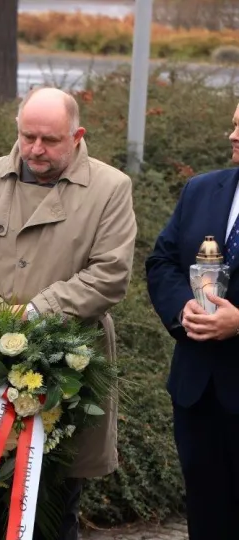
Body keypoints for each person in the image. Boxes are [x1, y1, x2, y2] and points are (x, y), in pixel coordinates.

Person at [0, 86, 137, 539]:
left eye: (49, 140)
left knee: (51, 508)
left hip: (69, 367)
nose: (35, 149)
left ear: (77, 135)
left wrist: (33, 313)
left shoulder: (110, 188)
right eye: (27, 136)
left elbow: (110, 275)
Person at [145, 101, 239, 539]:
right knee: (206, 521)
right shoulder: (201, 189)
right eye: (234, 125)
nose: (232, 137)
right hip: (197, 394)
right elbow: (162, 261)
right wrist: (181, 306)